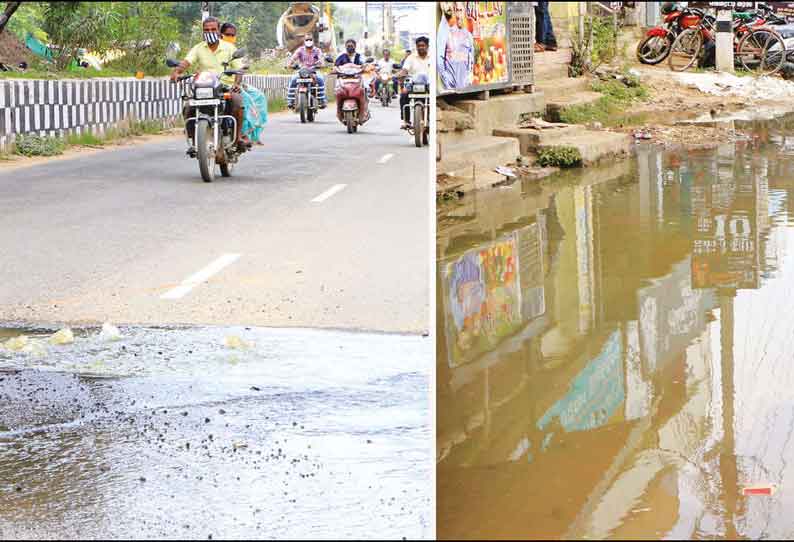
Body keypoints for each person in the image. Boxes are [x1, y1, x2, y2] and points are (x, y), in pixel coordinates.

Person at [170, 16, 249, 149]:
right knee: (188, 106)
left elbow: (239, 69)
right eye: (206, 30)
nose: (210, 32)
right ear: (203, 32)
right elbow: (187, 62)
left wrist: (236, 84)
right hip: (204, 86)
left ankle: (238, 137)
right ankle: (194, 138)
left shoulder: (229, 48)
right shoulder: (198, 48)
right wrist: (176, 72)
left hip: (225, 87)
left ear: (219, 31)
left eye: (213, 29)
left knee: (237, 102)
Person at [286, 34, 327, 109]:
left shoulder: (317, 50)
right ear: (304, 41)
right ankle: (290, 100)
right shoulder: (300, 50)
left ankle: (322, 100)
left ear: (313, 41)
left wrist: (322, 64)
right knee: (293, 80)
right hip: (302, 71)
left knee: (320, 79)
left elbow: (321, 60)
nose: (309, 41)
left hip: (313, 71)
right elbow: (293, 58)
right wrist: (289, 64)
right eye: (307, 40)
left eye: (310, 39)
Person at [398, 36, 430, 129]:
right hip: (413, 84)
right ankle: (406, 120)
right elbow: (404, 70)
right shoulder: (411, 57)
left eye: (423, 45)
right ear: (416, 46)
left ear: (427, 46)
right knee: (403, 95)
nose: (420, 47)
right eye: (418, 45)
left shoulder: (433, 56)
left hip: (429, 85)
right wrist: (400, 75)